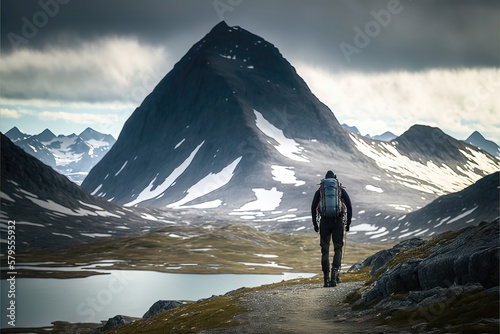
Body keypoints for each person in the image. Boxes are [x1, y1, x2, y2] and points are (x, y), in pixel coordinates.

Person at [311, 170, 352, 287]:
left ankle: (325, 279)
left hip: (324, 222)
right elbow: (349, 207)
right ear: (335, 179)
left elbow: (313, 207)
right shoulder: (340, 190)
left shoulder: (320, 192)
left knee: (325, 250)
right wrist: (348, 223)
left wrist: (315, 224)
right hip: (338, 221)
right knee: (337, 248)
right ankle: (334, 277)